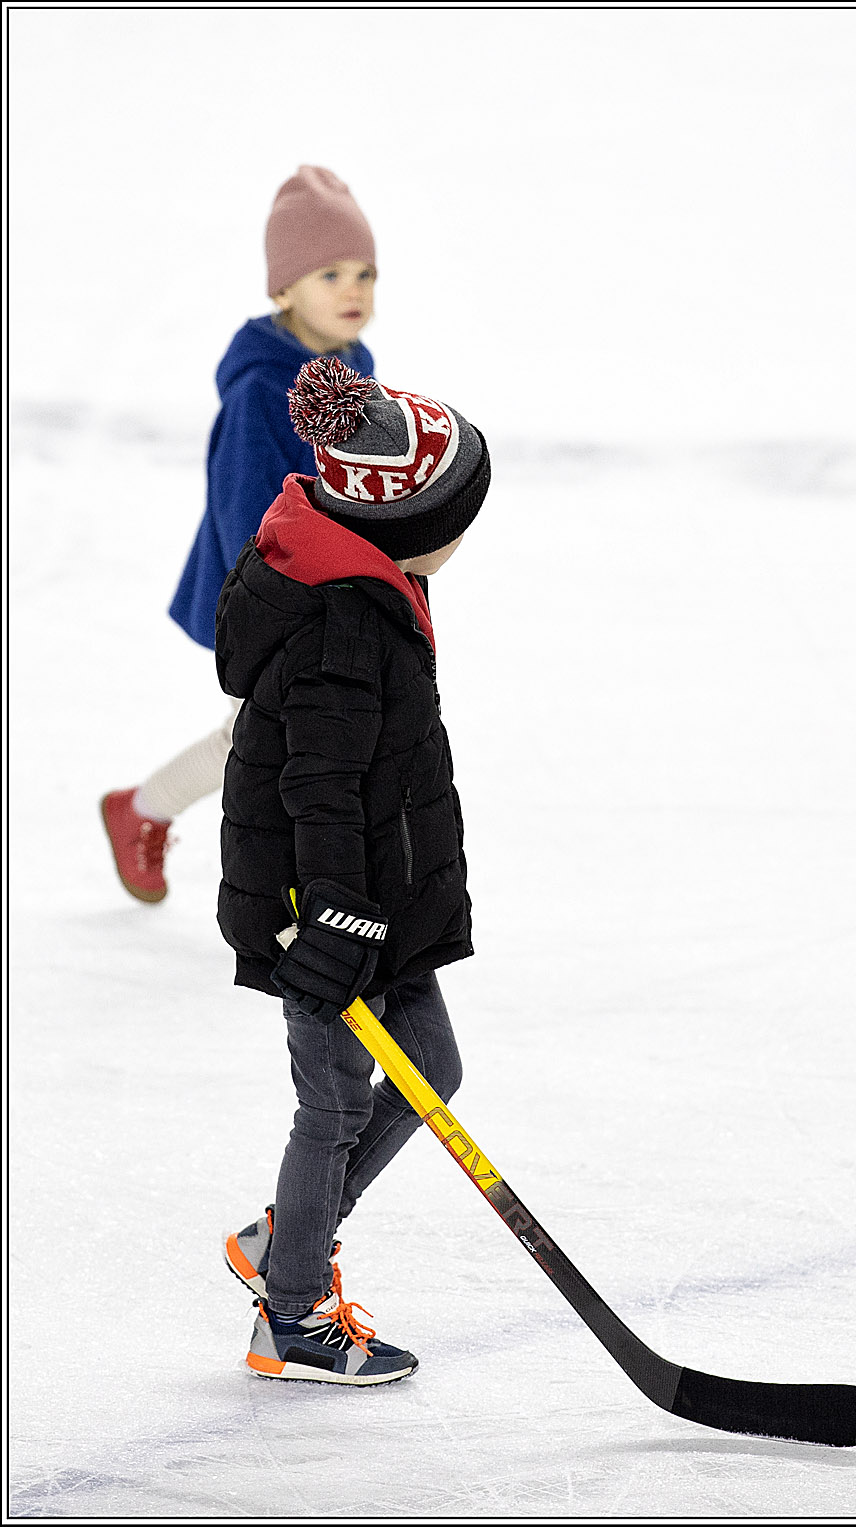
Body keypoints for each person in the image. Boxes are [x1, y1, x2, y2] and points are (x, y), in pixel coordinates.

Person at [217, 355, 490, 1384]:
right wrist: (332, 916)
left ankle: (285, 1234)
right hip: (321, 913)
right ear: (404, 522)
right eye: (458, 520)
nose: (464, 540)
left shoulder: (374, 582)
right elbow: (318, 786)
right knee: (332, 1108)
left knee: (431, 1072)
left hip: (381, 893)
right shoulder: (341, 621)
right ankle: (289, 1317)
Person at [101, 166, 377, 902]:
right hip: (271, 597)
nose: (353, 290)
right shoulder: (261, 392)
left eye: (365, 273)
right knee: (265, 742)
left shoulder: (352, 366)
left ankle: (141, 810)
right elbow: (244, 512)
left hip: (333, 591)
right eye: (330, 274)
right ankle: (279, 886)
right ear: (283, 289)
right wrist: (272, 611)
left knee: (276, 740)